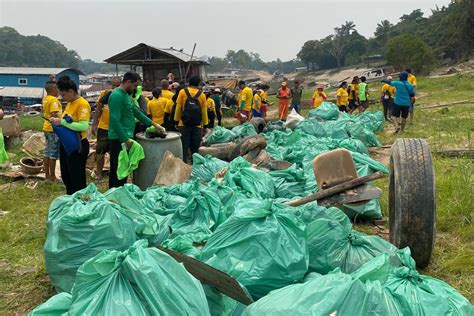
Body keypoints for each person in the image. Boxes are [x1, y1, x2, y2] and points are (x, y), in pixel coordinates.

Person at [108, 71, 165, 188]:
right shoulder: (116, 96)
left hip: (125, 138)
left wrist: (153, 124)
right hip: (119, 140)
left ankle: (117, 195)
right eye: (134, 86)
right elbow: (115, 120)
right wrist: (125, 140)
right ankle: (116, 197)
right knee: (119, 172)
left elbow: (136, 111)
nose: (135, 89)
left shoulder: (125, 95)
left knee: (122, 171)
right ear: (128, 82)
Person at [50, 76, 91, 194]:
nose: (62, 98)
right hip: (66, 145)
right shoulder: (70, 103)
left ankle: (80, 204)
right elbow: (68, 122)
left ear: (71, 91)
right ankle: (71, 201)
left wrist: (61, 122)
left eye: (63, 95)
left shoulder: (82, 104)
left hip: (77, 146)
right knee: (66, 176)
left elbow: (83, 126)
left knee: (77, 179)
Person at [91, 77, 121, 182]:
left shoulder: (123, 95)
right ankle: (99, 174)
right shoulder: (104, 94)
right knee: (100, 152)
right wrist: (94, 124)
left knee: (115, 154)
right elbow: (98, 109)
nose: (115, 88)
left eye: (117, 86)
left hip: (117, 129)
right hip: (103, 129)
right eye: (113, 86)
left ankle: (115, 174)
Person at [174, 75, 208, 163]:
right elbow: (204, 112)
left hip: (183, 124)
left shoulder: (182, 92)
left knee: (184, 147)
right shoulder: (202, 95)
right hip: (197, 125)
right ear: (198, 84)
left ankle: (184, 165)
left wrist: (176, 121)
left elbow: (178, 108)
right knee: (195, 149)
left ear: (189, 82)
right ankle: (194, 167)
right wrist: (205, 125)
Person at [42, 81, 61, 182]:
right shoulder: (54, 100)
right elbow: (54, 113)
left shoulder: (46, 98)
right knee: (53, 153)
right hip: (53, 129)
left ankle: (47, 176)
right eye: (58, 89)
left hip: (46, 128)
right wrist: (63, 120)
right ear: (54, 90)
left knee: (47, 152)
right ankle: (53, 177)